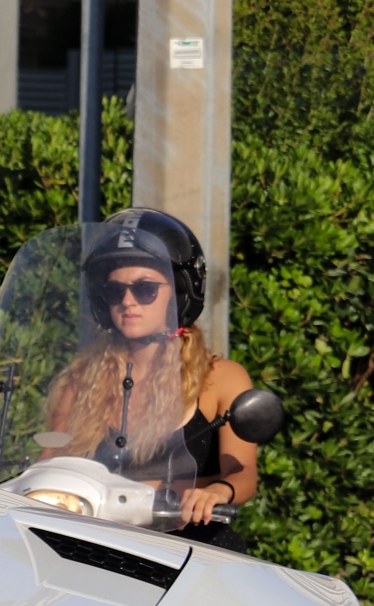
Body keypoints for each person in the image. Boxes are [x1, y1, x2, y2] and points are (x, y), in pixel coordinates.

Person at [43, 209, 261, 532]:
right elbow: (47, 467)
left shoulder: (220, 378)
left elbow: (243, 473)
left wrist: (216, 491)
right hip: (100, 544)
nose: (128, 301)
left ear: (179, 293)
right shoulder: (80, 380)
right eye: (114, 291)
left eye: (145, 289)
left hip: (192, 547)